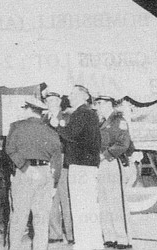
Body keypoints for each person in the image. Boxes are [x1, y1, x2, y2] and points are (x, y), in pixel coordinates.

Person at [6, 96, 62, 250]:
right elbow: (57, 158)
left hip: (24, 173)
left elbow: (10, 149)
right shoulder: (50, 129)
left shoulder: (16, 126)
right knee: (41, 219)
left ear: (28, 109)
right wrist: (54, 183)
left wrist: (25, 167)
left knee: (19, 217)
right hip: (45, 174)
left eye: (24, 108)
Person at [51, 85, 102, 250]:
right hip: (87, 165)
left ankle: (85, 244)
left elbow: (71, 134)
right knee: (88, 206)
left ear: (83, 96)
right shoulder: (88, 113)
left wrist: (56, 125)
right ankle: (92, 242)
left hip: (81, 165)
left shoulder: (82, 113)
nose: (69, 97)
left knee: (81, 206)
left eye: (72, 94)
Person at [94, 95, 133, 249]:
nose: (98, 106)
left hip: (112, 161)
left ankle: (123, 238)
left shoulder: (118, 120)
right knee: (104, 200)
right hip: (100, 163)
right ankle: (110, 236)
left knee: (116, 201)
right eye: (97, 103)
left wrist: (104, 155)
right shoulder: (100, 121)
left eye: (101, 103)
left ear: (110, 104)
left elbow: (124, 143)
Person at [43, 92, 73, 245]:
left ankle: (71, 233)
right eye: (48, 101)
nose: (50, 103)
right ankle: (55, 233)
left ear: (60, 102)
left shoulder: (67, 117)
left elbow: (69, 139)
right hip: (46, 160)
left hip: (62, 159)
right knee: (50, 198)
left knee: (66, 197)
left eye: (54, 100)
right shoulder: (42, 119)